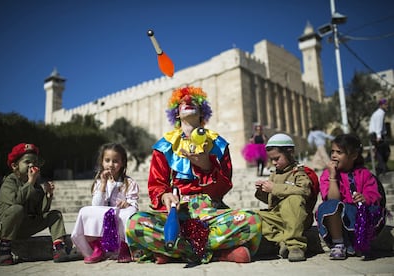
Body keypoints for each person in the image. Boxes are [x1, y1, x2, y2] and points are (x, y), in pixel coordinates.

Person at [126, 86, 262, 264]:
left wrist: (206, 166)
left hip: (210, 211)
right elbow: (156, 185)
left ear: (202, 111)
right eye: (182, 102)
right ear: (176, 113)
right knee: (134, 223)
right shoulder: (165, 145)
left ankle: (174, 251)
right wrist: (164, 195)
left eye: (194, 101)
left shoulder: (217, 143)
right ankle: (220, 254)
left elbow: (224, 186)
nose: (188, 101)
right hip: (175, 211)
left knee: (252, 221)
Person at [0, 143, 72, 265]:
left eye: (34, 162)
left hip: (24, 226)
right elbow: (16, 201)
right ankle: (4, 249)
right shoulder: (10, 181)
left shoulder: (35, 185)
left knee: (55, 215)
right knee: (17, 209)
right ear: (14, 166)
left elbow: (41, 211)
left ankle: (58, 247)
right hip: (4, 226)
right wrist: (30, 182)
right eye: (27, 162)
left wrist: (48, 195)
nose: (32, 165)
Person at [316, 134, 384, 260]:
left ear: (353, 156)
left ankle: (359, 243)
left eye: (339, 152)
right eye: (332, 152)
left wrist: (364, 198)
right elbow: (332, 200)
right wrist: (332, 177)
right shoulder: (328, 175)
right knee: (328, 206)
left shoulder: (365, 174)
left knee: (371, 210)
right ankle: (338, 243)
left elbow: (374, 195)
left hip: (359, 219)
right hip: (337, 222)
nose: (334, 156)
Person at [71, 143, 139, 264]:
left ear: (123, 162)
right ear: (102, 162)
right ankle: (97, 247)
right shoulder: (99, 182)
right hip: (104, 215)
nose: (111, 165)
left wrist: (127, 204)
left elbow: (134, 205)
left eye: (115, 161)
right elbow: (96, 206)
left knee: (130, 213)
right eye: (107, 160)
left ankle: (124, 247)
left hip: (120, 215)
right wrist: (103, 183)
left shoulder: (129, 183)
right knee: (85, 211)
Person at [254, 133, 317, 262]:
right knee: (253, 217)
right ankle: (283, 241)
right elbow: (272, 201)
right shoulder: (274, 175)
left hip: (297, 217)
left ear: (290, 152)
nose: (274, 162)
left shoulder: (298, 172)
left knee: (294, 199)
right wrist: (263, 190)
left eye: (277, 158)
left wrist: (275, 188)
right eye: (271, 159)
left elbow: (304, 190)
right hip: (277, 217)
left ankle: (295, 246)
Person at [368, 98, 390, 176]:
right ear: (381, 105)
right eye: (386, 104)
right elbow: (378, 125)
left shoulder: (380, 113)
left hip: (377, 134)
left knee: (383, 151)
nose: (387, 106)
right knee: (384, 151)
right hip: (376, 134)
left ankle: (380, 168)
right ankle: (382, 169)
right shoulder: (380, 113)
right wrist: (378, 136)